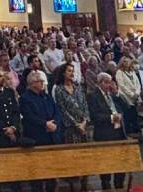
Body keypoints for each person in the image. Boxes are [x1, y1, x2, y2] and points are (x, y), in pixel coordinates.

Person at [19, 71, 62, 192]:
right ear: (32, 83)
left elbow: (57, 110)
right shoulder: (25, 98)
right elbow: (29, 116)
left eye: (43, 81)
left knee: (51, 172)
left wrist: (55, 123)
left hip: (51, 137)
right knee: (37, 172)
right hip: (37, 137)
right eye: (40, 81)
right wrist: (45, 124)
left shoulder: (46, 96)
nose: (43, 83)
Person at [54, 62, 90, 191]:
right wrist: (76, 124)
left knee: (85, 156)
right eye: (69, 71)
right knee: (74, 157)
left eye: (72, 71)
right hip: (70, 128)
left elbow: (85, 105)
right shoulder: (59, 89)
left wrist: (84, 122)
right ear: (63, 73)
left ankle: (85, 182)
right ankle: (73, 184)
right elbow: (62, 110)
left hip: (83, 126)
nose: (72, 73)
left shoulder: (78, 87)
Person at [88, 73, 127, 190]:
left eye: (110, 82)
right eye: (106, 82)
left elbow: (126, 107)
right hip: (105, 133)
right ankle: (106, 185)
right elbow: (94, 116)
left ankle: (119, 185)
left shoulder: (112, 95)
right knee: (106, 163)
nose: (109, 85)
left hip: (119, 132)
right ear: (100, 83)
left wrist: (117, 93)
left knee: (120, 163)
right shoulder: (93, 96)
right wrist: (111, 118)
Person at [115, 57, 141, 135]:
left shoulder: (132, 72)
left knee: (134, 116)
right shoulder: (119, 72)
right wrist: (131, 94)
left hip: (134, 97)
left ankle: (135, 132)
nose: (126, 63)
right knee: (127, 116)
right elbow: (122, 85)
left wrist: (137, 93)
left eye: (128, 62)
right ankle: (127, 133)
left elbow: (138, 83)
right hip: (125, 97)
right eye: (124, 62)